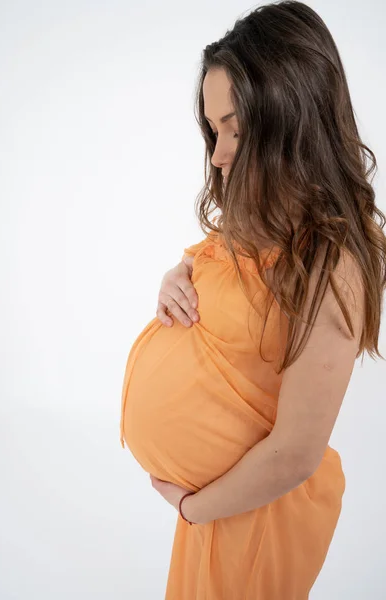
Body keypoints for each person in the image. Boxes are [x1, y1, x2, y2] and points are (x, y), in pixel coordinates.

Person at [119, 1, 386, 598]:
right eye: (215, 129)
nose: (217, 153)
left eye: (235, 127)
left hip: (254, 517)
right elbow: (230, 283)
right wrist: (177, 275)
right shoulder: (264, 221)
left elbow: (294, 454)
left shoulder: (335, 263)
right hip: (218, 512)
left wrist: (193, 508)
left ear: (293, 118)